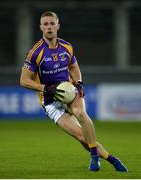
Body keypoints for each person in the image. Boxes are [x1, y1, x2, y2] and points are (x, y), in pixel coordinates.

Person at [20, 11, 128, 172]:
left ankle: (98, 158)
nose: (49, 27)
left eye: (52, 23)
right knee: (81, 136)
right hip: (50, 101)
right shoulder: (35, 53)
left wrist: (79, 83)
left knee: (81, 114)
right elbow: (24, 80)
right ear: (41, 27)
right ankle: (109, 157)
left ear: (58, 26)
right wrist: (45, 88)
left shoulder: (67, 47)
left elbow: (74, 68)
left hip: (69, 91)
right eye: (46, 24)